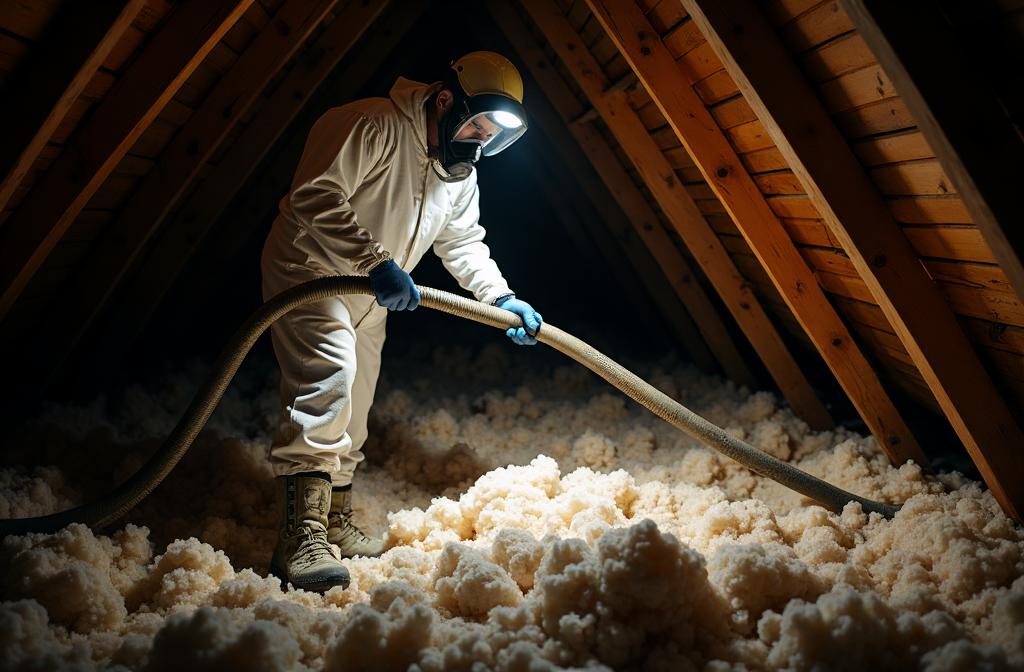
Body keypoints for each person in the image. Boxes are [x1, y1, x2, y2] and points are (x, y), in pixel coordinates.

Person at [260, 51, 542, 592]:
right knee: (328, 382)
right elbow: (315, 195)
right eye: (475, 123)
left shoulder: (457, 176)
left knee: (356, 403)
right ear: (445, 101)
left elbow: (462, 244)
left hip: (371, 291)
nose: (478, 140)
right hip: (312, 268)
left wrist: (501, 296)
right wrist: (376, 261)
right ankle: (299, 537)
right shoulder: (368, 124)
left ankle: (335, 522)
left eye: (490, 134)